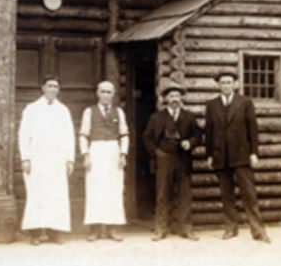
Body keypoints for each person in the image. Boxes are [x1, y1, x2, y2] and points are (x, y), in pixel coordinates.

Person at [204, 70, 271, 243]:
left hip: (242, 156)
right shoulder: (211, 105)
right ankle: (230, 228)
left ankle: (258, 231)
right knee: (226, 195)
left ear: (235, 84)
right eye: (223, 82)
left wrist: (254, 153)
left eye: (229, 82)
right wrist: (209, 154)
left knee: (249, 194)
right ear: (218, 85)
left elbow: (253, 129)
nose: (226, 85)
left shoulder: (245, 102)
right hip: (221, 156)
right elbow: (209, 132)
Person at [18, 76, 76, 245]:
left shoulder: (63, 110)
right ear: (43, 88)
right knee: (37, 195)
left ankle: (54, 233)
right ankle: (35, 234)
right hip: (37, 159)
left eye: (56, 86)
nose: (53, 89)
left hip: (57, 160)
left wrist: (69, 159)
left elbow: (69, 136)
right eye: (50, 86)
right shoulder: (32, 109)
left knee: (57, 196)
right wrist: (25, 158)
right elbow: (24, 134)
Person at [142, 78, 201, 241]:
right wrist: (156, 153)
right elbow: (147, 137)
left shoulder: (189, 117)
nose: (174, 99)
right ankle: (161, 229)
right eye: (171, 96)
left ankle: (186, 229)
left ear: (181, 98)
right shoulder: (157, 117)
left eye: (177, 96)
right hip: (164, 161)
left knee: (184, 195)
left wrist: (190, 142)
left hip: (183, 160)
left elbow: (198, 135)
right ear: (166, 99)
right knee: (162, 195)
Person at [79, 80, 130, 242]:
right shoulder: (89, 112)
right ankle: (94, 229)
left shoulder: (119, 112)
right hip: (96, 150)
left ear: (113, 94)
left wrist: (123, 154)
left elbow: (124, 134)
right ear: (97, 93)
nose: (106, 95)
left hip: (113, 151)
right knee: (95, 189)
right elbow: (83, 135)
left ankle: (112, 228)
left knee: (114, 189)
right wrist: (86, 154)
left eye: (109, 92)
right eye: (103, 91)